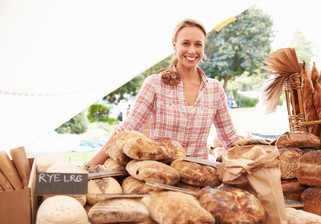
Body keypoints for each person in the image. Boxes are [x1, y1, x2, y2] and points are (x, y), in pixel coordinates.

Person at [88, 18, 240, 165]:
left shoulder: (214, 89)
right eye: (185, 43)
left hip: (200, 176)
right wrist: (87, 168)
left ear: (204, 47)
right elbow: (125, 131)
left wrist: (260, 158)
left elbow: (230, 139)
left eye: (198, 44)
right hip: (161, 175)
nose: (192, 50)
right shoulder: (155, 83)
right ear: (174, 46)